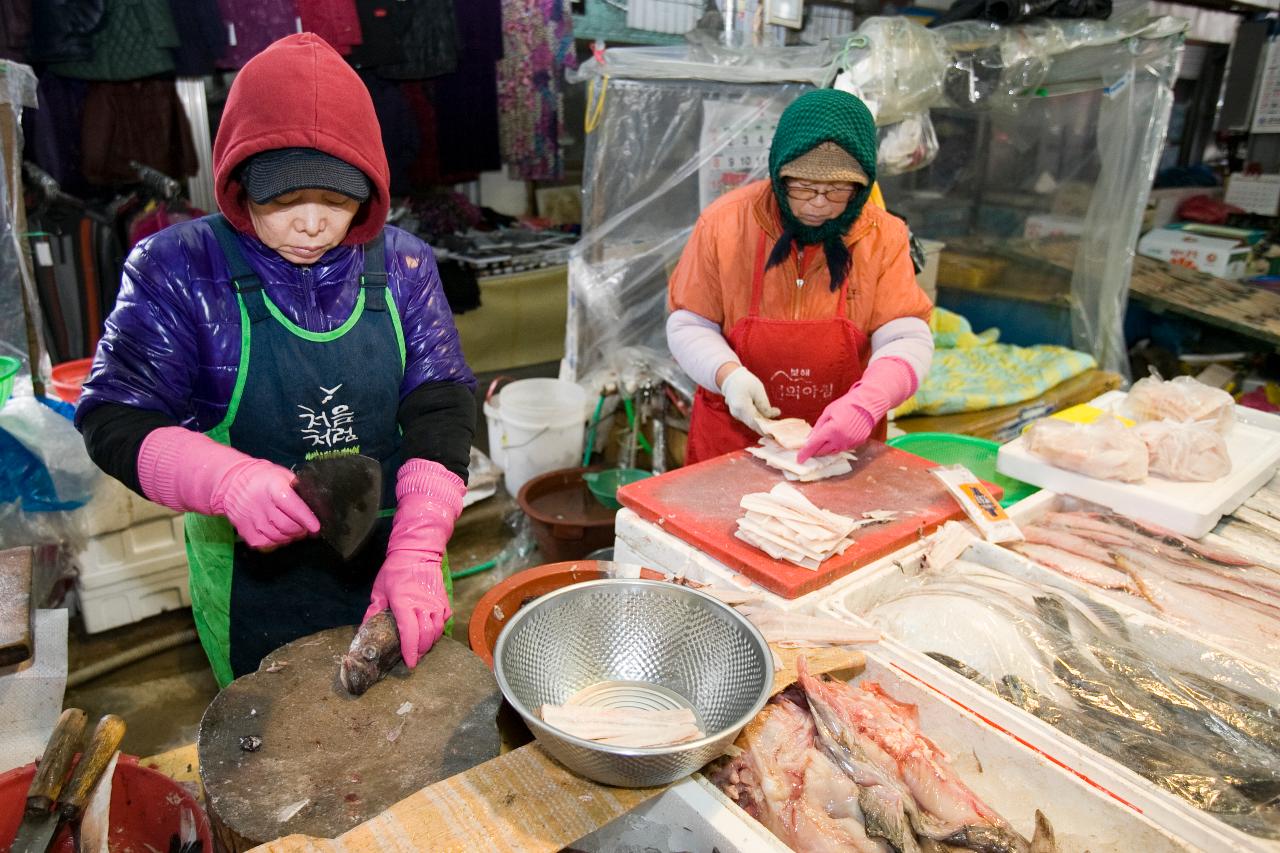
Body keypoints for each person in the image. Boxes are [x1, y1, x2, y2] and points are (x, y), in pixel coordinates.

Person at [75, 33, 475, 688]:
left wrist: (420, 547)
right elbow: (115, 417)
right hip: (252, 588)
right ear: (237, 181)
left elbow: (441, 405)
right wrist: (223, 479)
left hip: (395, 555)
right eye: (285, 200)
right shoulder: (176, 271)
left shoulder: (404, 265)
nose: (314, 225)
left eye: (340, 200)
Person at [666, 89, 934, 466]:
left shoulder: (883, 236)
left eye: (838, 189)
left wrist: (869, 402)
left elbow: (907, 336)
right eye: (803, 186)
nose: (819, 202)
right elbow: (688, 323)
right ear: (779, 173)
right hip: (731, 440)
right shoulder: (724, 224)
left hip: (843, 448)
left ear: (862, 184)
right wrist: (728, 377)